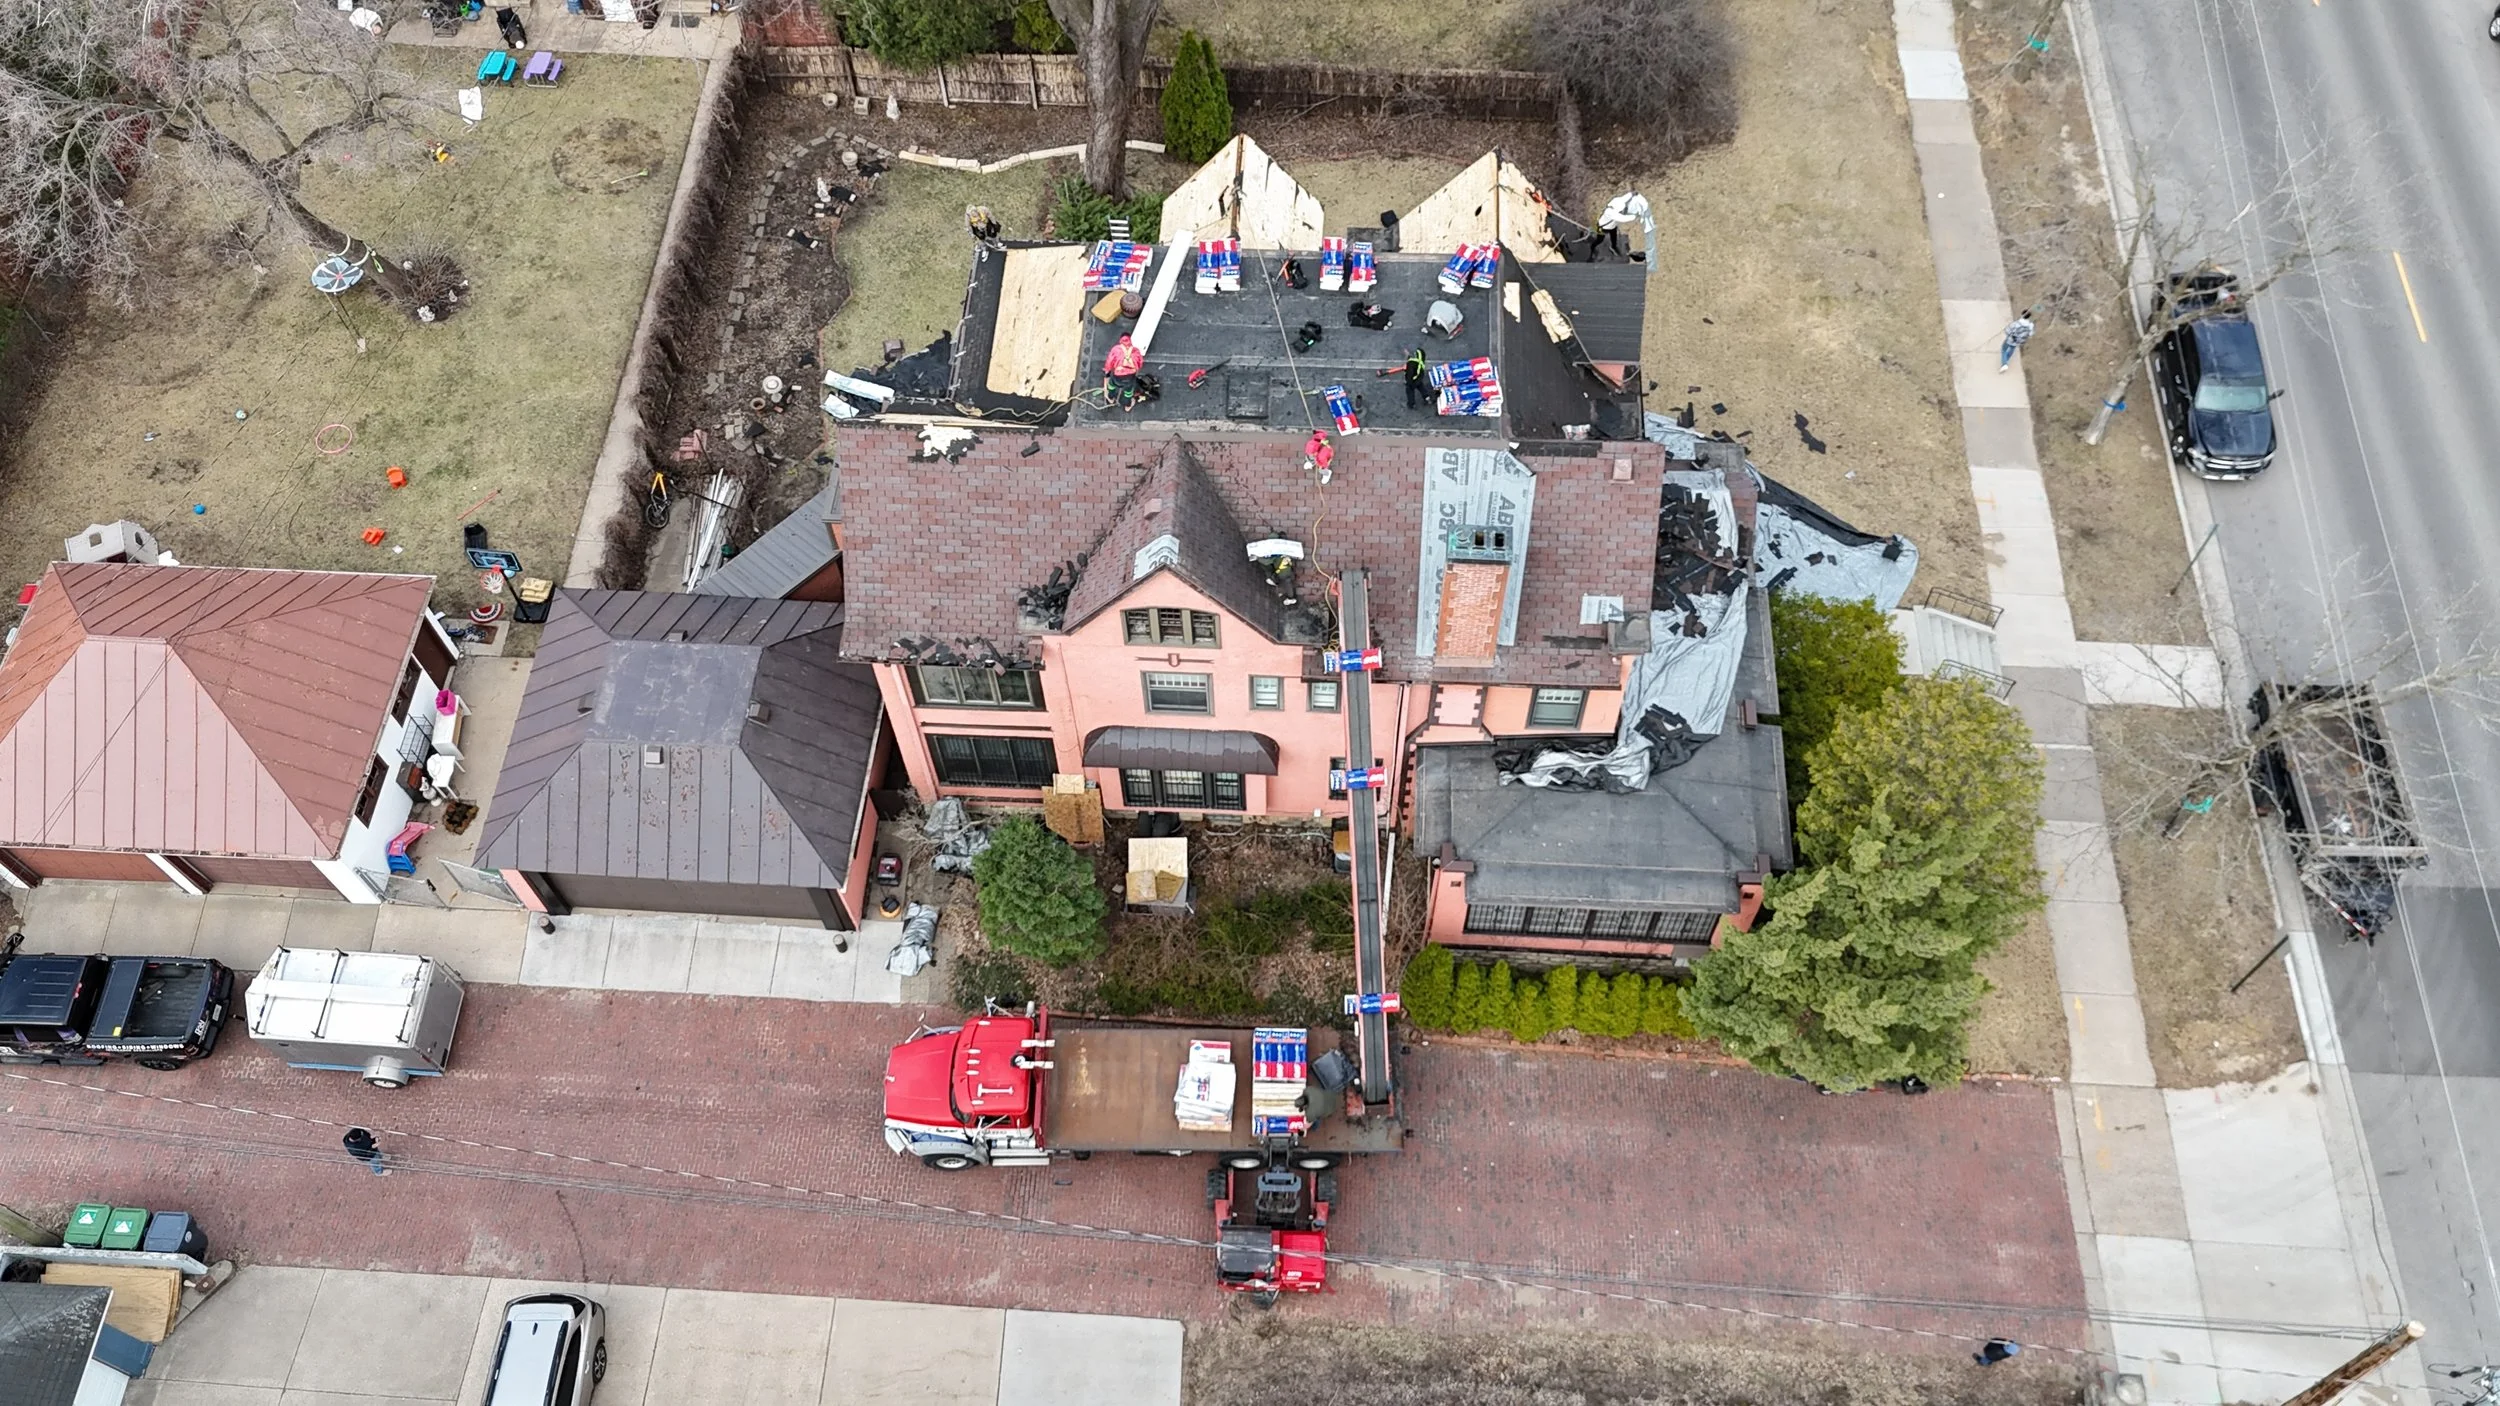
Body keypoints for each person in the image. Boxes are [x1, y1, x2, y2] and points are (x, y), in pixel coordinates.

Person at [1102, 333, 1144, 409]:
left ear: (1121, 340)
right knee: (1128, 392)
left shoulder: (1116, 349)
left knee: (1111, 386)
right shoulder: (1136, 351)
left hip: (1117, 376)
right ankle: (1127, 405)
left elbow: (1109, 362)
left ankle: (1110, 398)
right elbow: (1140, 364)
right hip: (1130, 378)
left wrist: (1107, 372)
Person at [1403, 346, 1430, 411]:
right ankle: (1427, 397)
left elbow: (1410, 374)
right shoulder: (1420, 358)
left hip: (1413, 379)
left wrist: (1408, 382)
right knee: (1420, 386)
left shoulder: (1411, 364)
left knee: (1410, 390)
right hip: (1419, 376)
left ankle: (1411, 404)